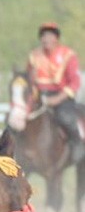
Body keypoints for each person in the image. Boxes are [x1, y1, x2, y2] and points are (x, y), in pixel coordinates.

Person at [28, 22, 83, 162]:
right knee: (18, 119)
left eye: (50, 35)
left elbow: (75, 82)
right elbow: (29, 80)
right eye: (44, 35)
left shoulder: (67, 55)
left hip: (62, 97)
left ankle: (77, 144)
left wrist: (57, 99)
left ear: (56, 38)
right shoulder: (34, 56)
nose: (46, 39)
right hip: (39, 96)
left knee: (66, 118)